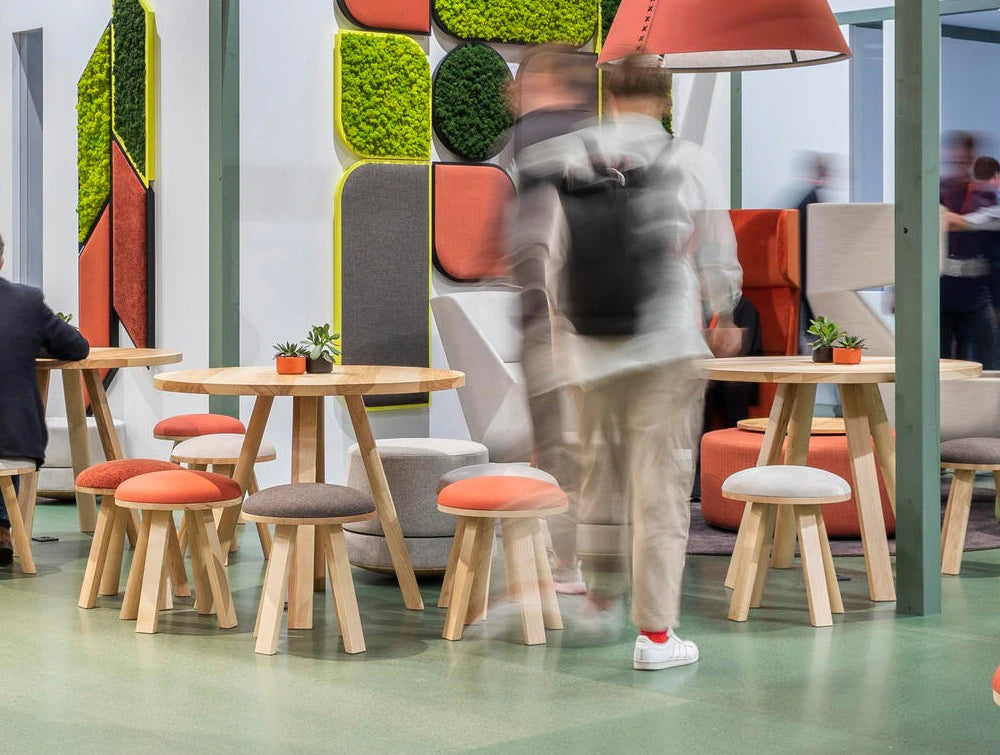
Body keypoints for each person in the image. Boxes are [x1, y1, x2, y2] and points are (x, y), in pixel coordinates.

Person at [509, 57, 743, 670]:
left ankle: (599, 599)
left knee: (596, 482)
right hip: (665, 347)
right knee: (660, 488)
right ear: (663, 100)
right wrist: (724, 314)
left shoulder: (565, 155)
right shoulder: (688, 160)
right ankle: (657, 638)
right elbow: (717, 251)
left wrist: (563, 334)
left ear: (608, 96)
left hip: (588, 350)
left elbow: (547, 258)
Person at [506, 48, 598, 595]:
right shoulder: (594, 138)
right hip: (593, 319)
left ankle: (569, 562)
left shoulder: (540, 133)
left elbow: (539, 240)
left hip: (554, 319)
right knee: (586, 440)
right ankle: (587, 554)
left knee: (563, 441)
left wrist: (546, 309)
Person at [0, 232, 90, 564]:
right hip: (15, 439)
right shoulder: (26, 301)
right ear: (1, 262)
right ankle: (3, 530)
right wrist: (29, 342)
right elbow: (76, 347)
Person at [940, 156, 1000, 368]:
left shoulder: (989, 203)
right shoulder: (946, 193)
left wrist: (952, 218)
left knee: (986, 361)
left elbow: (968, 222)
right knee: (944, 360)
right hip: (947, 292)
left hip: (979, 295)